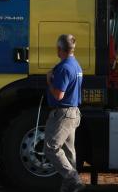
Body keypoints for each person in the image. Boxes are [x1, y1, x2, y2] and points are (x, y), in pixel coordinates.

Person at [44, 34, 85, 192]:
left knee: (51, 147)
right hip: (74, 112)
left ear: (59, 49)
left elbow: (59, 95)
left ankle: (73, 179)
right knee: (68, 151)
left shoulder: (64, 67)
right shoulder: (76, 65)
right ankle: (69, 187)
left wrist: (49, 81)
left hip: (63, 114)